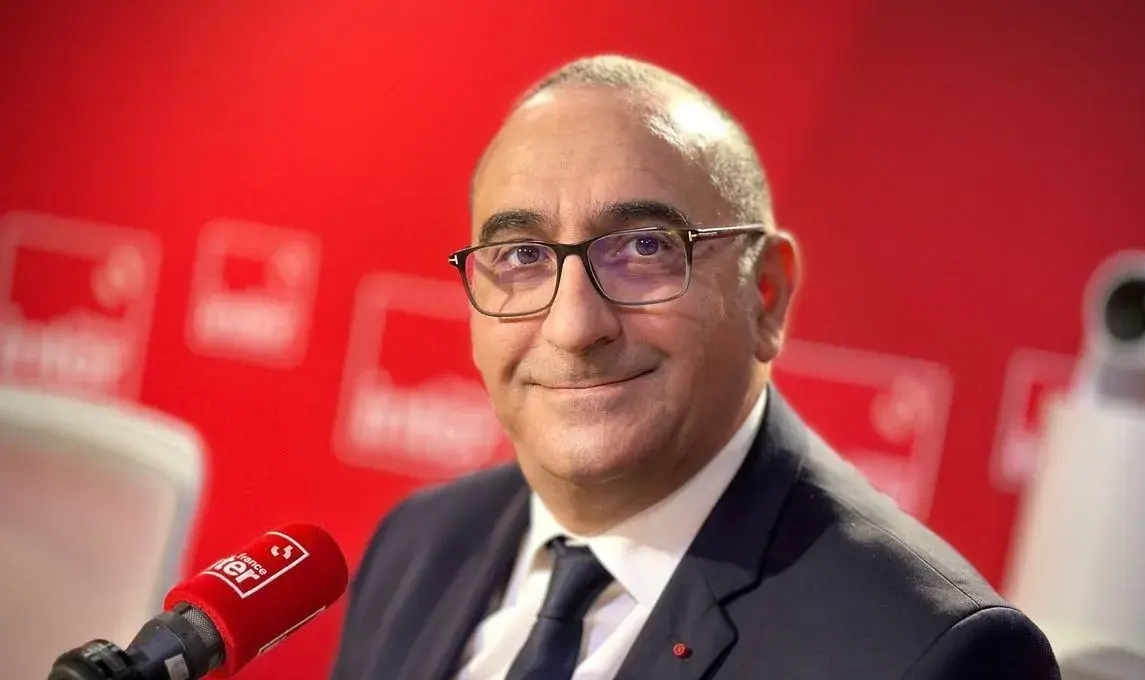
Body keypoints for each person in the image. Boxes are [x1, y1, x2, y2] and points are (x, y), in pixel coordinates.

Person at [329, 55, 1060, 680]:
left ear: (765, 294)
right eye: (522, 255)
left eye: (644, 248)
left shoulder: (929, 653)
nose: (574, 326)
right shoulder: (417, 547)